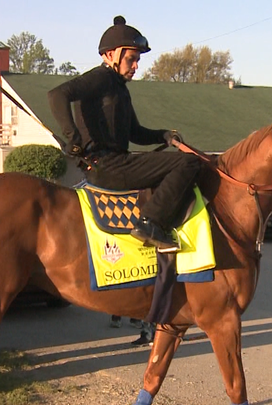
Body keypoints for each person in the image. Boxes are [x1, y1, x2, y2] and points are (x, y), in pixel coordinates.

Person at [48, 16, 206, 252]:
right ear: (111, 55)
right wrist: (73, 137)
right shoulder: (100, 78)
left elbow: (135, 132)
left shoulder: (119, 88)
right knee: (189, 163)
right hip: (109, 166)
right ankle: (150, 223)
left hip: (116, 164)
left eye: (137, 60)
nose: (136, 66)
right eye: (131, 59)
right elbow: (57, 95)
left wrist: (165, 136)